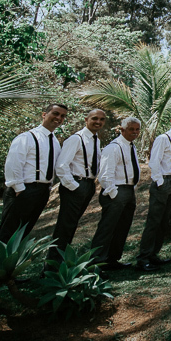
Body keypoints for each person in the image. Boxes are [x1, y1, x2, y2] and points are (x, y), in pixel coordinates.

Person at [0, 103, 68, 241]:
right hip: (24, 189)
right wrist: (19, 189)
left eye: (62, 116)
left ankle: (16, 261)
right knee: (9, 232)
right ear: (44, 114)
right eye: (55, 113)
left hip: (42, 191)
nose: (59, 118)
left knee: (24, 231)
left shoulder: (54, 141)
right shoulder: (26, 137)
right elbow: (13, 165)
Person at [136, 109, 171, 271]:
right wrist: (160, 182)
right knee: (154, 221)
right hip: (163, 181)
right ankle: (143, 258)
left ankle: (154, 254)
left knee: (164, 221)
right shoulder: (163, 138)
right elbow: (154, 162)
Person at [50, 108, 106, 260]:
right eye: (94, 118)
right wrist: (75, 187)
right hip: (75, 185)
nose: (98, 122)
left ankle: (61, 261)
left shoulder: (96, 140)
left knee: (72, 224)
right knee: (65, 226)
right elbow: (61, 166)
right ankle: (52, 265)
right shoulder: (76, 139)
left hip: (88, 185)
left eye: (101, 119)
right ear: (86, 120)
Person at [92, 117, 142, 270]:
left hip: (128, 191)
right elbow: (106, 175)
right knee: (107, 228)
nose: (134, 132)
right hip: (116, 192)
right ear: (122, 130)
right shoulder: (113, 147)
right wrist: (114, 194)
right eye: (131, 129)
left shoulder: (131, 146)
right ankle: (96, 263)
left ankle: (112, 259)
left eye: (137, 130)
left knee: (122, 227)